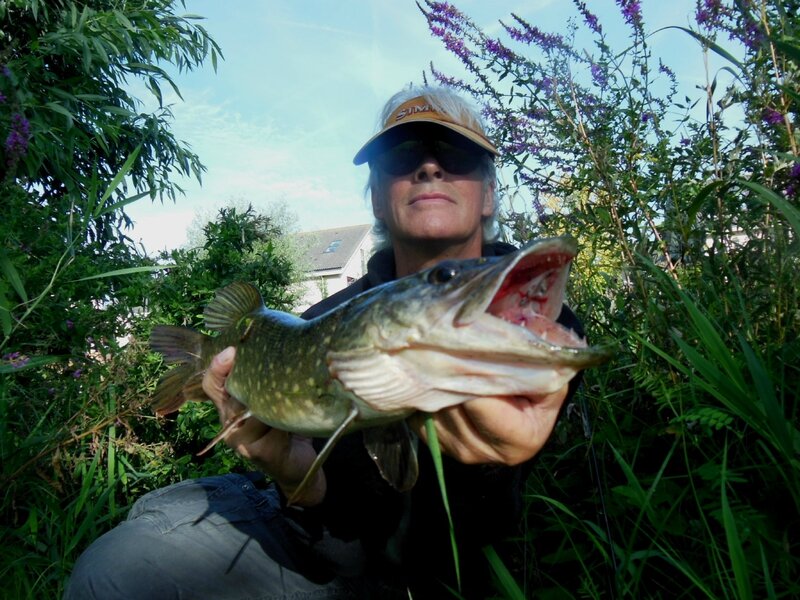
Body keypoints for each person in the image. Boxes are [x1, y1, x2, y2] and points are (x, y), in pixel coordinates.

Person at [65, 85, 584, 599]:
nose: (429, 166)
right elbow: (333, 535)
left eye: (456, 152)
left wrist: (491, 465)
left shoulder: (535, 325)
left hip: (426, 571)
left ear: (489, 192)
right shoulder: (322, 320)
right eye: (402, 156)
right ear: (378, 199)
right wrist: (291, 472)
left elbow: (469, 535)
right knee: (117, 567)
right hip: (323, 538)